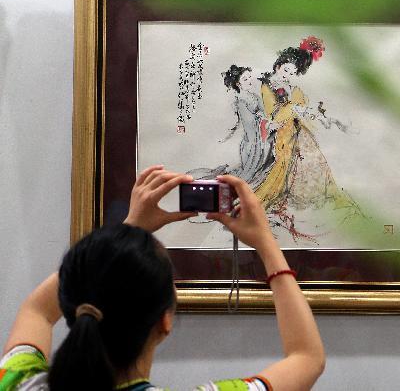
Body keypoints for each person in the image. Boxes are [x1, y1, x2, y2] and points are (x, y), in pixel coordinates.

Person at [1, 166, 326, 390]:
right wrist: (266, 242)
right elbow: (307, 359)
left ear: (73, 304)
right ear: (165, 321)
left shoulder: (20, 382)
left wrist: (125, 232)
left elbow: (37, 312)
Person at [253, 38, 360, 218]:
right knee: (290, 163)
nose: (287, 74)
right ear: (278, 65)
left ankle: (311, 194)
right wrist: (294, 107)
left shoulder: (291, 87)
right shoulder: (266, 85)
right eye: (286, 69)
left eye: (292, 72)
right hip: (282, 131)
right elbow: (274, 113)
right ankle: (296, 196)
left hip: (298, 128)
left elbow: (301, 106)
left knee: (315, 157)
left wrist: (306, 110)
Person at [190, 65, 278, 186]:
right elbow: (250, 123)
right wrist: (265, 122)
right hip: (253, 143)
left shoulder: (255, 97)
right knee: (245, 178)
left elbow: (264, 114)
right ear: (238, 84)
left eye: (250, 78)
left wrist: (267, 120)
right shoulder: (240, 102)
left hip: (261, 136)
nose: (249, 81)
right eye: (245, 79)